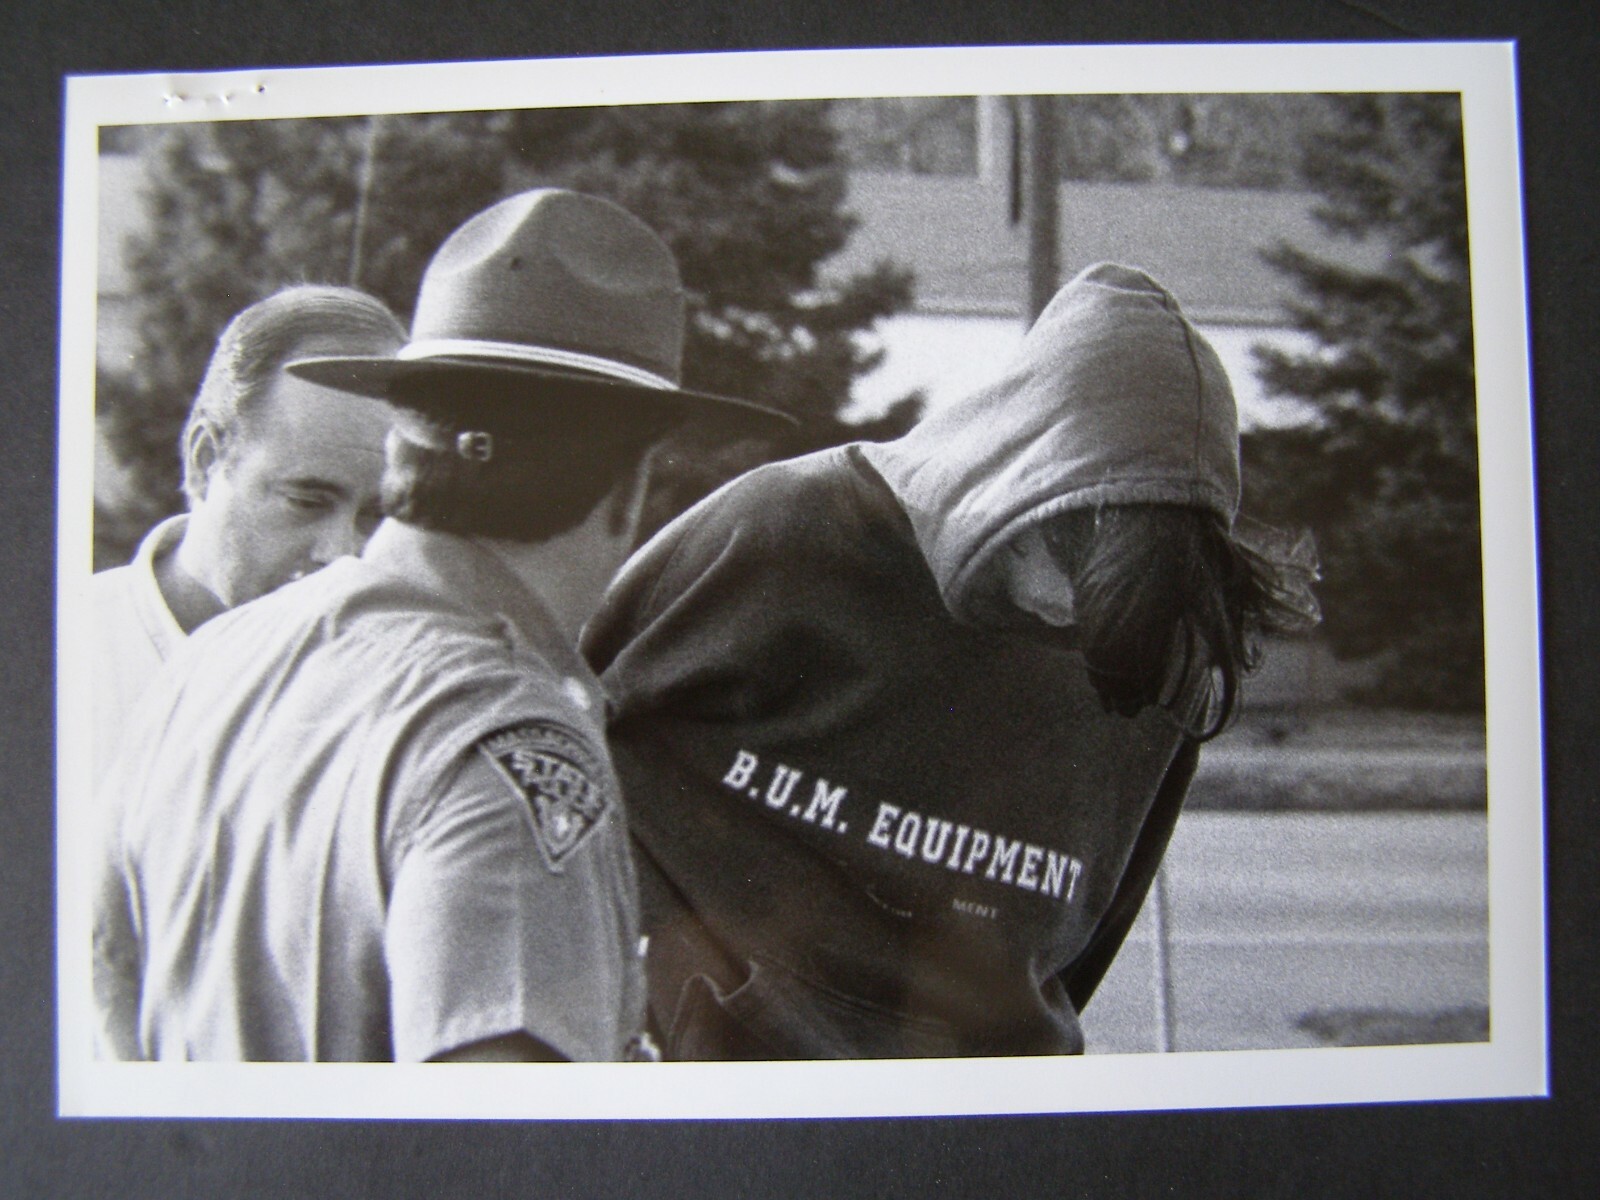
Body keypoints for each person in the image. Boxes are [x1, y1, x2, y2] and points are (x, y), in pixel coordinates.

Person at [91, 188, 785, 1062]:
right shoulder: (514, 746)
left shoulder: (213, 659)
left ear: (401, 442)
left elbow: (109, 966)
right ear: (631, 484)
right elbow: (503, 1152)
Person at [584, 262, 1320, 1060]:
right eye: (1069, 565)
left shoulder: (1163, 643)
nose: (1073, 614)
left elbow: (1086, 928)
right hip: (725, 1080)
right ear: (1018, 478)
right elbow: (577, 731)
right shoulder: (783, 530)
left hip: (976, 1111)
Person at [90, 285, 405, 780]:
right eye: (306, 501)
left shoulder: (397, 695)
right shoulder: (57, 651)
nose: (343, 557)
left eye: (375, 515)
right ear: (205, 458)